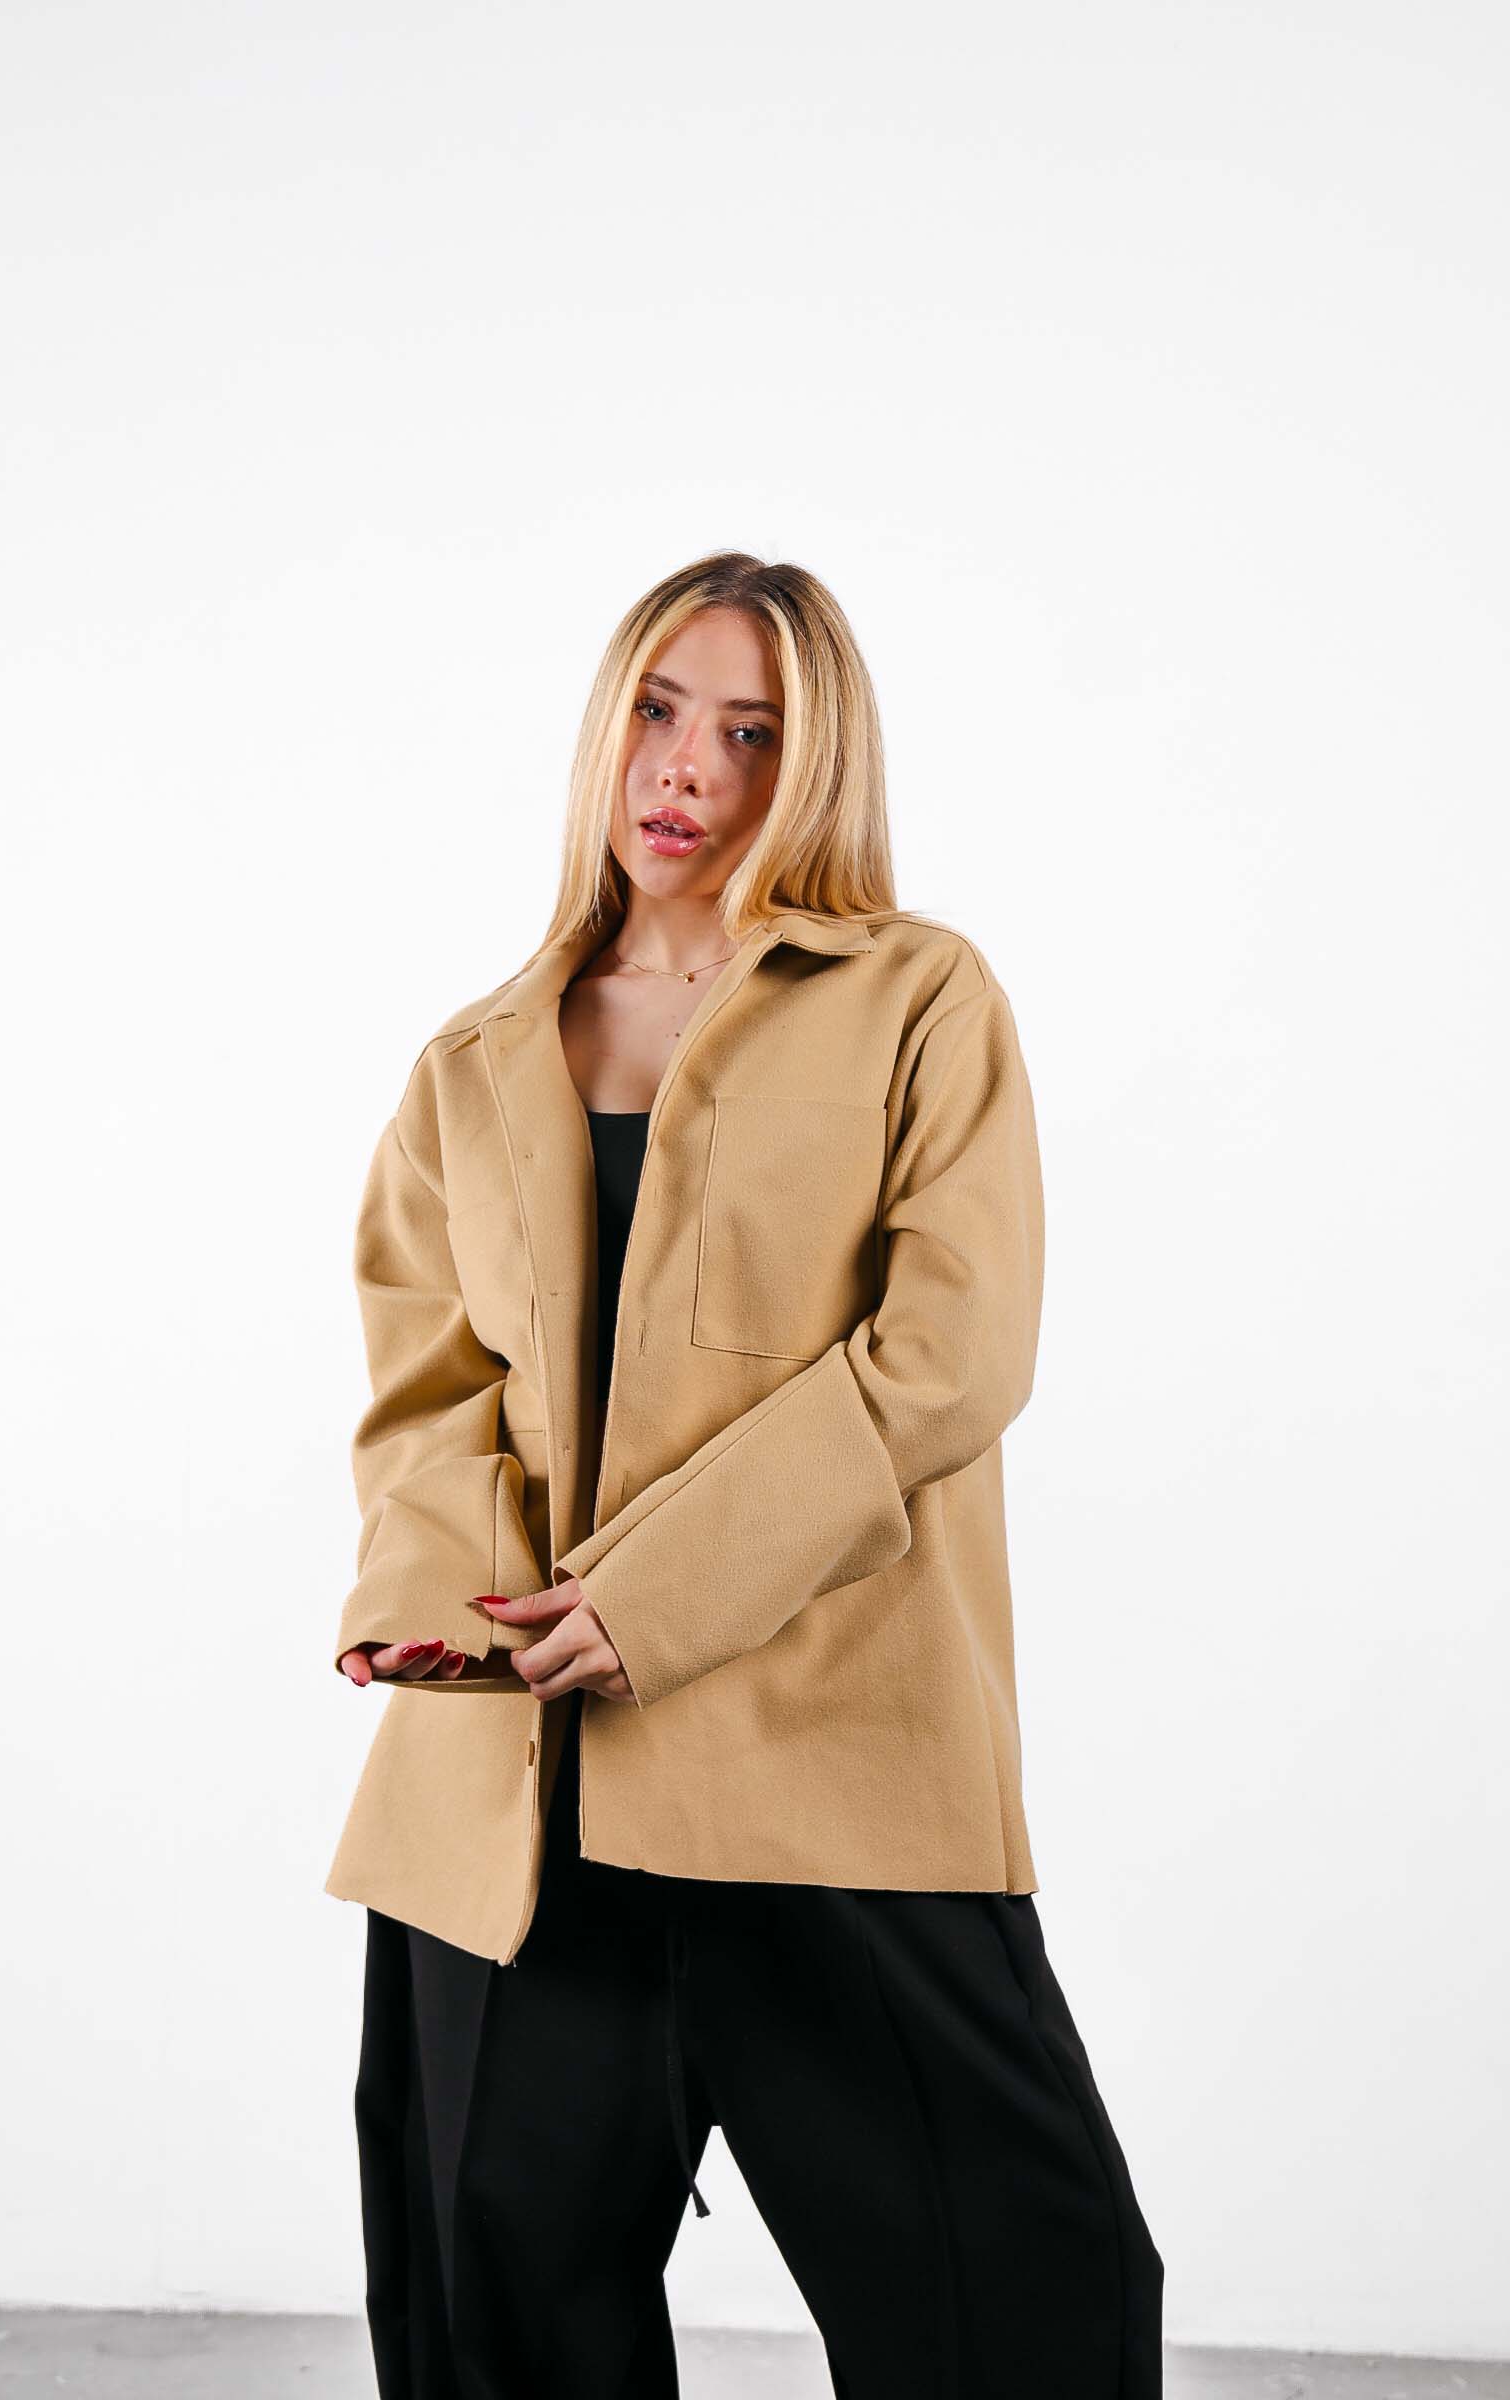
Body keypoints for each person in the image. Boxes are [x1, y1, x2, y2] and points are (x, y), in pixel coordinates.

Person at [327, 550, 1165, 2397]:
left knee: (1028, 2295)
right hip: (515, 1806)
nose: (685, 765)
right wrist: (443, 1619)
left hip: (832, 1772)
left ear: (818, 761)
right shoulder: (470, 1064)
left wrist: (658, 1595)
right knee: (494, 2324)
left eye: (751, 731)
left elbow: (951, 1355)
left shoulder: (920, 1000)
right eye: (656, 707)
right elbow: (428, 1389)